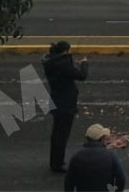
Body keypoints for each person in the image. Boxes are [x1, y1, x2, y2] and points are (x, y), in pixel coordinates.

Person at [42, 41, 88, 173]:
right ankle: (57, 163)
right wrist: (84, 63)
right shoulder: (62, 64)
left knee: (57, 133)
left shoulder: (52, 62)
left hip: (57, 100)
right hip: (65, 103)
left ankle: (55, 161)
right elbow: (81, 75)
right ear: (65, 51)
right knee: (62, 135)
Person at [64, 123, 126, 192]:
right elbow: (120, 178)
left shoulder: (77, 156)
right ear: (102, 138)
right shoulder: (110, 156)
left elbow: (69, 181)